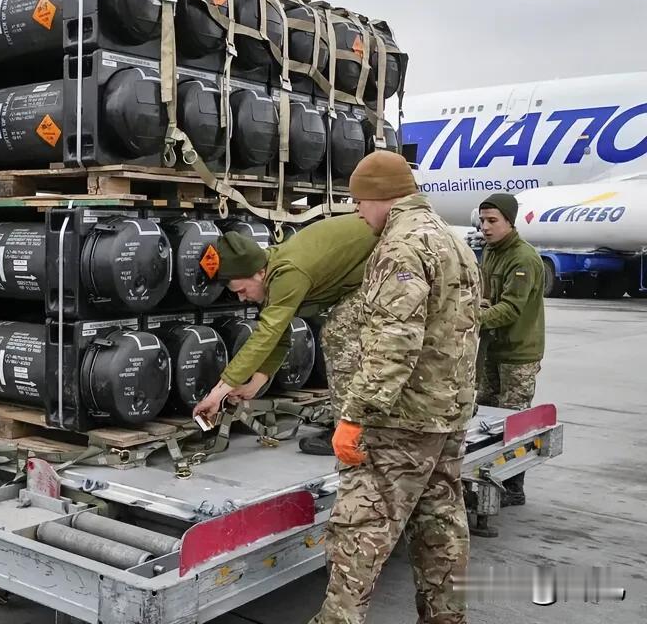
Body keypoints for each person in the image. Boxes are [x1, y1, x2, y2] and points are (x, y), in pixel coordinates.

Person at [309, 151, 481, 624]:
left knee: (359, 527)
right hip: (448, 413)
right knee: (441, 522)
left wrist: (355, 414)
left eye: (359, 203)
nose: (359, 213)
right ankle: (446, 617)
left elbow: (393, 341)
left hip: (401, 418)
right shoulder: (454, 240)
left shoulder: (401, 246)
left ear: (379, 197)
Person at [191, 216, 379, 457]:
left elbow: (267, 334)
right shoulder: (270, 273)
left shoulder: (288, 273)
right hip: (366, 269)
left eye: (242, 290)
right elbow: (279, 333)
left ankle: (354, 433)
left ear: (259, 273)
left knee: (339, 334)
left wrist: (218, 393)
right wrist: (253, 385)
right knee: (338, 329)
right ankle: (354, 422)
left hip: (389, 258)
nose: (241, 298)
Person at [476, 192, 545, 507]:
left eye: (492, 221)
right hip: (492, 348)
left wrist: (471, 318)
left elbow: (511, 309)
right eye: (483, 220)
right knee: (486, 418)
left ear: (509, 222)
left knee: (513, 423)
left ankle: (513, 487)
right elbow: (488, 295)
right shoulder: (491, 251)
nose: (485, 227)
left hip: (517, 354)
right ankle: (487, 478)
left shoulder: (523, 258)